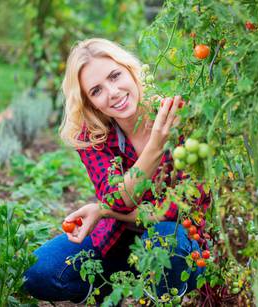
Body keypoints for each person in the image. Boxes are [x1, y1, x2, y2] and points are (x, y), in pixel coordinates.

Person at [22, 38, 209, 304]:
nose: (112, 92)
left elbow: (177, 210)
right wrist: (156, 144)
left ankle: (163, 291)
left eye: (115, 75)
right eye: (96, 91)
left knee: (169, 244)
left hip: (171, 238)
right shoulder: (92, 136)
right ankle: (111, 286)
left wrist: (104, 210)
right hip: (117, 242)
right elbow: (117, 197)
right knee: (37, 273)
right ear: (90, 103)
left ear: (131, 70)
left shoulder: (178, 117)